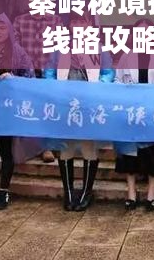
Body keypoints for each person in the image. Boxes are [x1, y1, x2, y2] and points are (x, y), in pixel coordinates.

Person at [43, 12, 114, 212]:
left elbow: (109, 73)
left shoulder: (100, 49)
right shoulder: (60, 48)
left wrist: (95, 87)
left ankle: (86, 193)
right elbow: (49, 72)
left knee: (88, 147)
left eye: (82, 21)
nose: (78, 25)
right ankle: (68, 192)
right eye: (74, 21)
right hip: (66, 105)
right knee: (66, 147)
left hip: (90, 105)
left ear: (89, 24)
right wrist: (55, 89)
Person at [113, 19, 154, 211]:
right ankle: (131, 191)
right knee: (129, 153)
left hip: (153, 111)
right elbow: (117, 81)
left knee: (153, 153)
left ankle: (151, 191)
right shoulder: (126, 56)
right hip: (131, 111)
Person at [0, 13, 34, 210]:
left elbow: (29, 77)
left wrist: (13, 78)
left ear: (10, 31)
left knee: (6, 150)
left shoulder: (18, 53)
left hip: (8, 109)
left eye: (2, 28)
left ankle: (4, 190)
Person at [13, 5, 63, 163]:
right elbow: (14, 46)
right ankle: (30, 148)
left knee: (47, 110)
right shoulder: (20, 21)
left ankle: (47, 147)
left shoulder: (55, 20)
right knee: (28, 111)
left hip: (48, 73)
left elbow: (60, 46)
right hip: (26, 75)